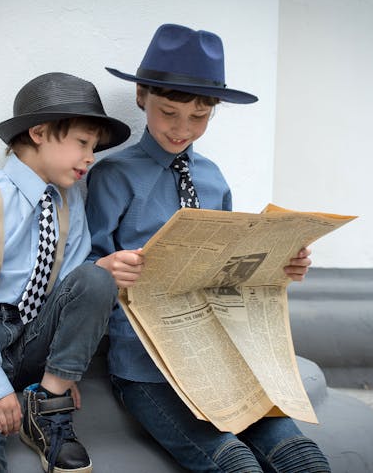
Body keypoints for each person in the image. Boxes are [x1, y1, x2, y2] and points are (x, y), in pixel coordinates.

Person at [86, 24, 331, 472]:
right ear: (141, 96)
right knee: (235, 466)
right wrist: (108, 267)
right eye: (168, 113)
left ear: (213, 112)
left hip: (218, 358)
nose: (182, 129)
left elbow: (227, 273)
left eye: (198, 118)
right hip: (146, 369)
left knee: (304, 460)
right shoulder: (113, 176)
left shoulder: (213, 178)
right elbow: (82, 268)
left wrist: (280, 265)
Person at [0, 72, 131, 473]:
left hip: (33, 334)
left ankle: (46, 408)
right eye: (83, 143)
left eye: (94, 147)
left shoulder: (68, 205)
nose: (91, 157)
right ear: (39, 132)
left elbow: (72, 287)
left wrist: (64, 369)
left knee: (96, 275)